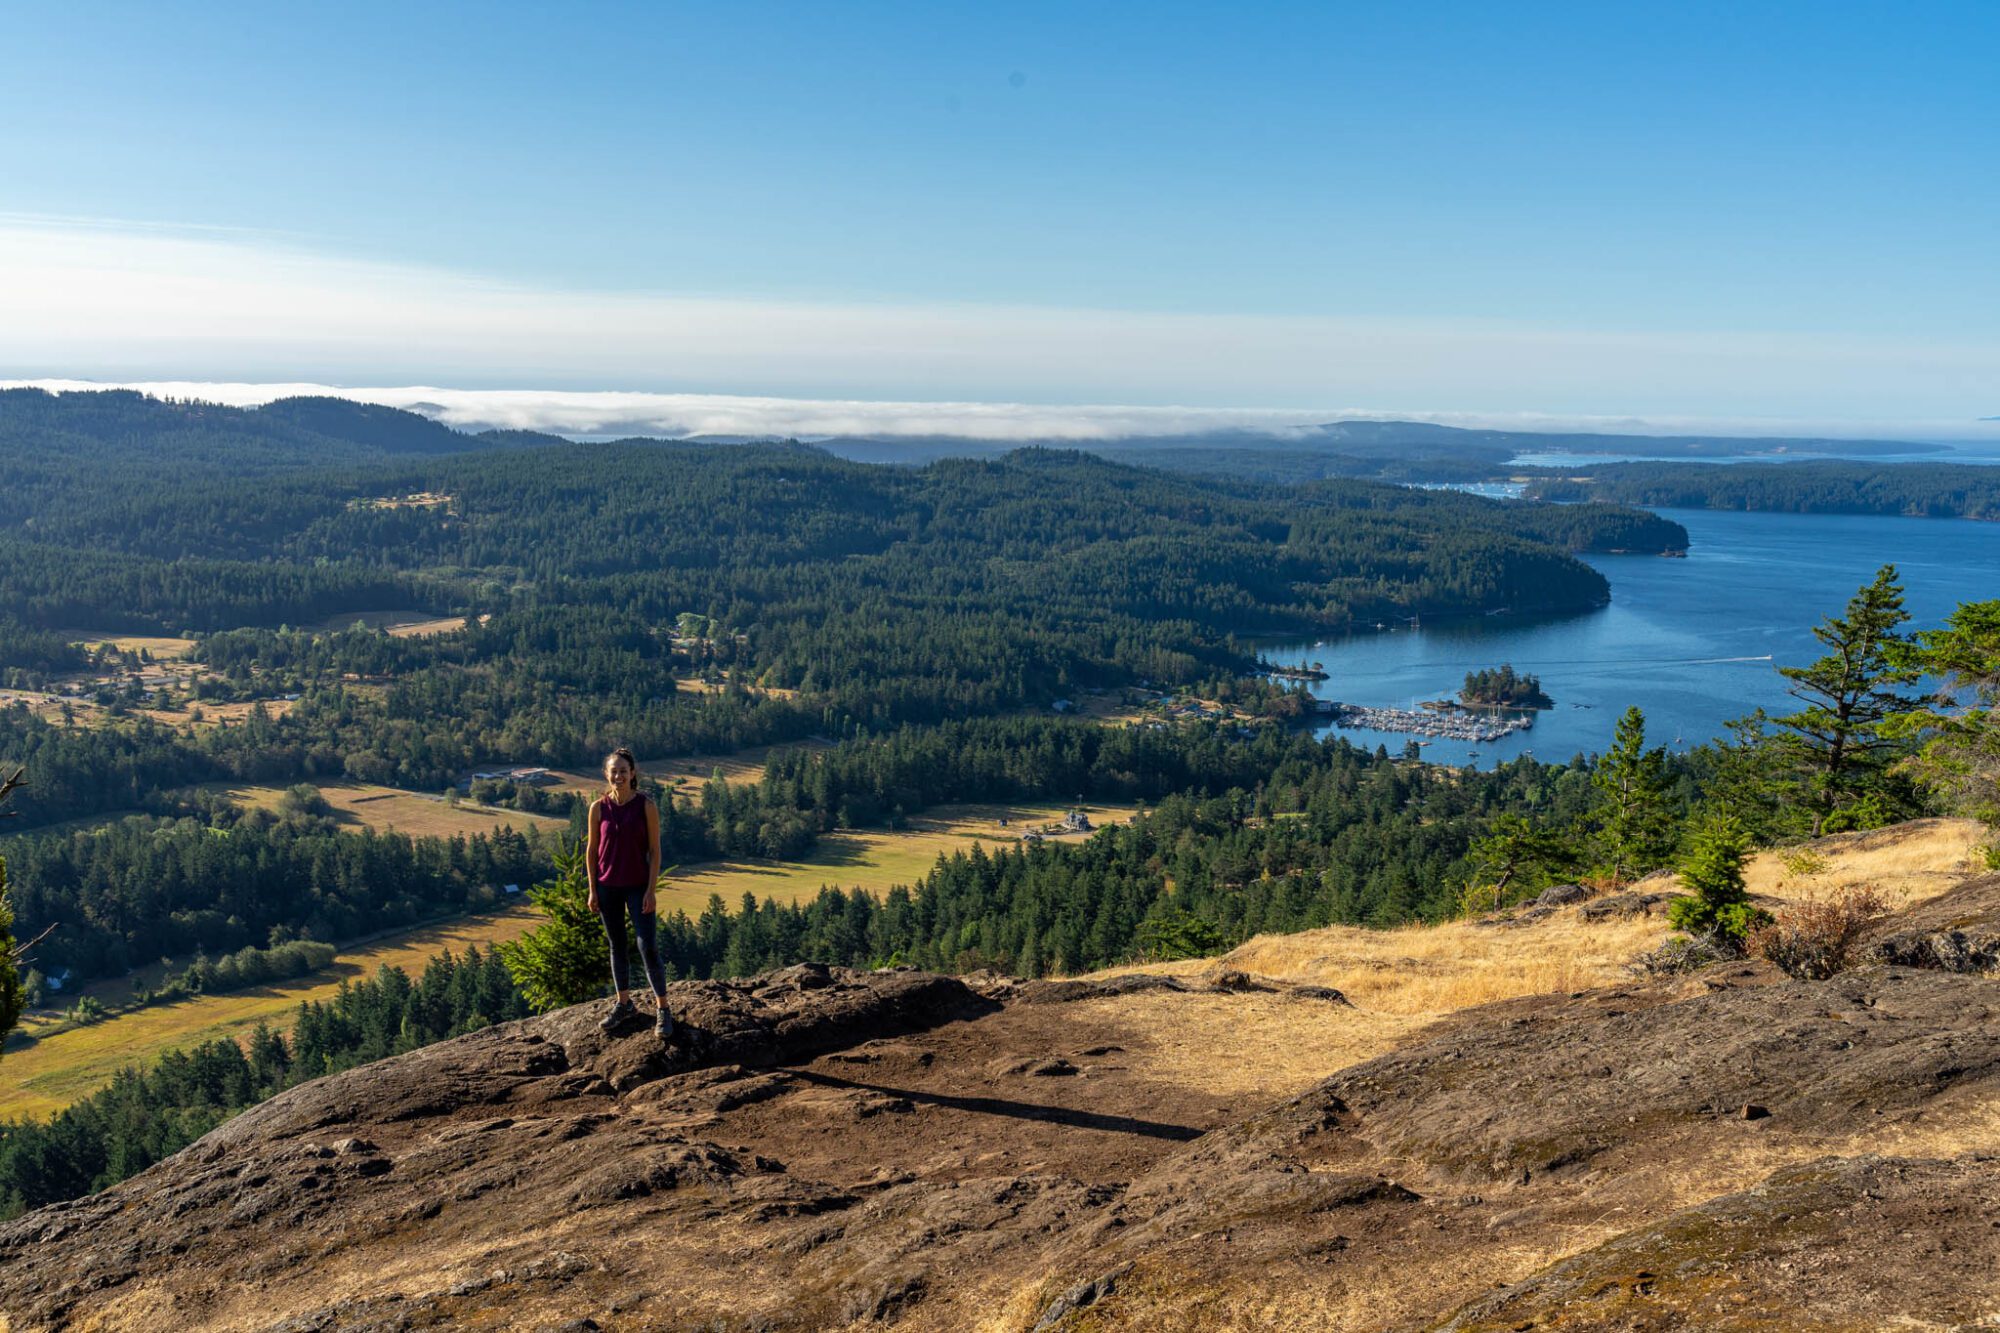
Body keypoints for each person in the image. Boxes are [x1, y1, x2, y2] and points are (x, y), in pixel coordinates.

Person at [585, 747, 674, 1037]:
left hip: (637, 886)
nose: (619, 776)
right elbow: (591, 850)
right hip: (607, 886)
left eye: (624, 771)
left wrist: (651, 889)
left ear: (632, 773)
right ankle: (624, 1004)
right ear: (606, 774)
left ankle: (663, 1009)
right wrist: (592, 889)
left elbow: (655, 850)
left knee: (647, 946)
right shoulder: (598, 808)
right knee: (617, 946)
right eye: (614, 771)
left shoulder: (645, 806)